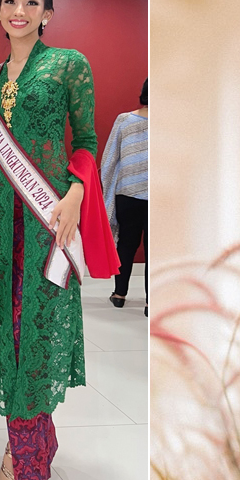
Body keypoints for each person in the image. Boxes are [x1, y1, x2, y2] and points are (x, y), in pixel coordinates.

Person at [0, 0, 119, 480]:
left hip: (45, 220)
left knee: (34, 329)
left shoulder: (69, 65)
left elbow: (86, 139)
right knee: (7, 333)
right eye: (10, 1)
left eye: (30, 2)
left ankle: (20, 461)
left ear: (47, 12)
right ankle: (31, 439)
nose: (19, 10)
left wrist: (77, 195)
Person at [100, 78, 148, 315]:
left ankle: (119, 295)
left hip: (127, 194)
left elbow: (110, 159)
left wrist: (105, 188)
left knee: (126, 245)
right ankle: (151, 303)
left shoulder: (125, 120)